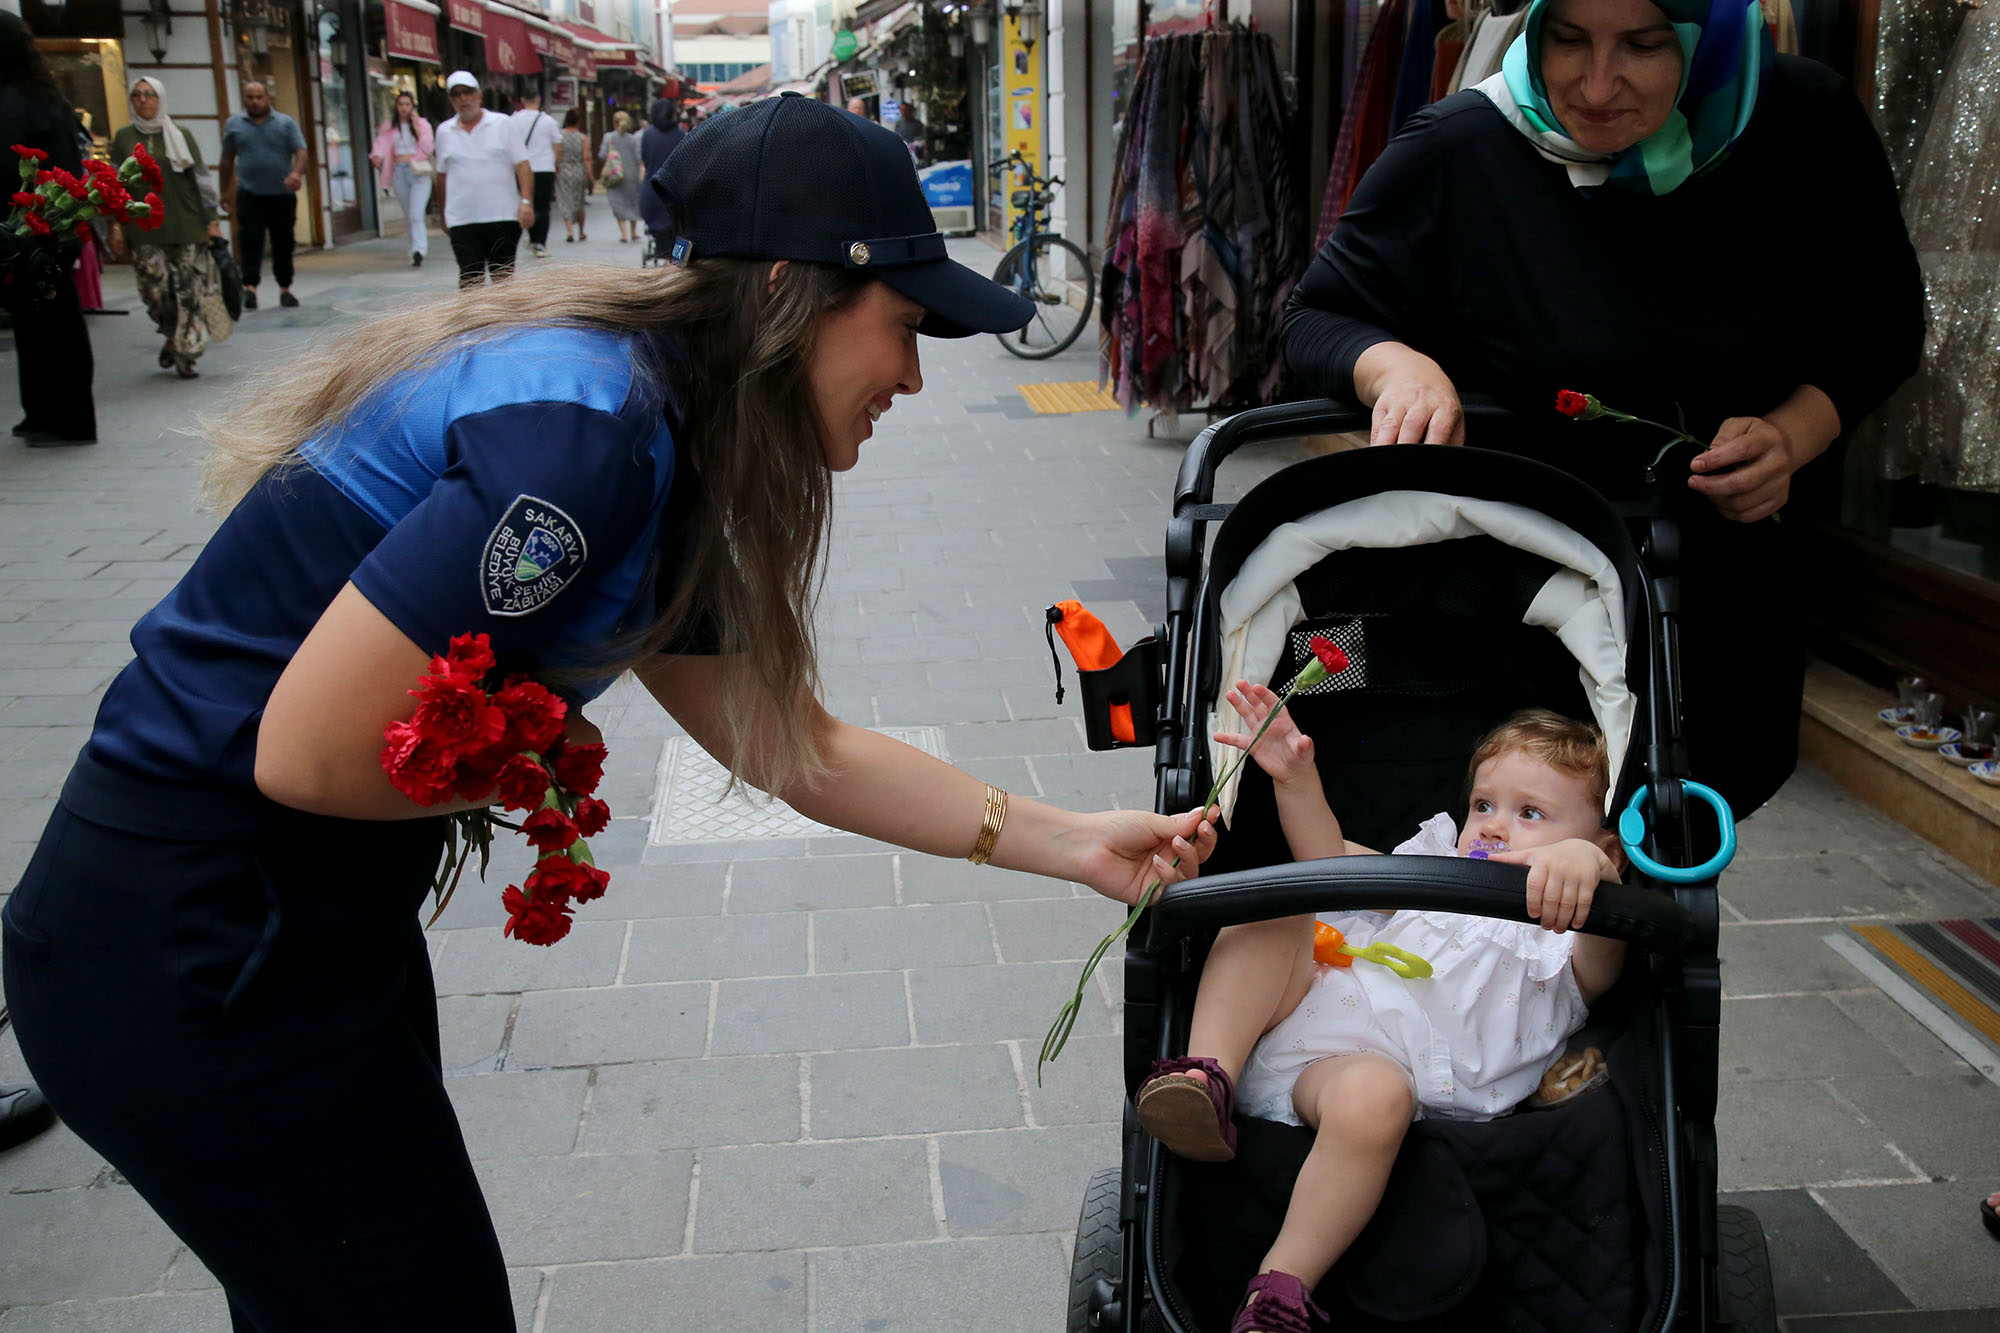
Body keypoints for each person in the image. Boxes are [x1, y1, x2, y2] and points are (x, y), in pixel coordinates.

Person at [0, 91, 1220, 1329]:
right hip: (189, 942)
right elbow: (310, 757)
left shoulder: (665, 438)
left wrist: (1073, 843)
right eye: (902, 325)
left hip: (284, 928)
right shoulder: (585, 449)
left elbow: (792, 745)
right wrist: (531, 755)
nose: (910, 373)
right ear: (787, 296)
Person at [1281, 0, 1924, 821]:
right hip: (1515, 608)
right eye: (1569, 41)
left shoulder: (1804, 124)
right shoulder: (1465, 146)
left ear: (1705, 36)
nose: (1594, 83)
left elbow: (1884, 322)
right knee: (1516, 844)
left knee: (1673, 847)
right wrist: (1397, 367)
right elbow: (1318, 315)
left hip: (1715, 598)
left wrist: (1796, 432)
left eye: (1643, 46)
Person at [1135, 701, 1626, 1331]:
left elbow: (1608, 948)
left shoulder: (1569, 941)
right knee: (1277, 899)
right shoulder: (1439, 870)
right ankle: (1205, 1079)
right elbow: (1329, 863)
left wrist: (1591, 871)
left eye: (1530, 813)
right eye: (1484, 806)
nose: (1495, 827)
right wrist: (1295, 780)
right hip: (1304, 1020)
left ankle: (1279, 1290)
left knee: (1375, 1096)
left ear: (1602, 842)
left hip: (1371, 1077)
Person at [0, 11, 96, 446]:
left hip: (40, 224)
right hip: (40, 224)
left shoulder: (24, 100)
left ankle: (68, 419)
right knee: (34, 324)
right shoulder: (39, 95)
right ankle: (40, 412)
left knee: (52, 325)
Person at [110, 75, 223, 379]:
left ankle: (187, 353)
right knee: (154, 291)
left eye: (149, 94)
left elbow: (201, 179)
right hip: (144, 227)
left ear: (160, 98)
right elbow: (113, 186)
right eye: (137, 95)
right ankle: (173, 336)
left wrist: (212, 221)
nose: (143, 100)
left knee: (189, 292)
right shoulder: (122, 138)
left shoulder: (180, 134)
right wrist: (117, 225)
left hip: (186, 224)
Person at [434, 71, 533, 289]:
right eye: (456, 95)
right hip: (462, 218)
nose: (463, 99)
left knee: (503, 278)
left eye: (467, 93)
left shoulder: (502, 124)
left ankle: (505, 322)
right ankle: (476, 323)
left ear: (479, 96)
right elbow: (441, 175)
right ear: (451, 100)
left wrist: (526, 202)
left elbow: (523, 165)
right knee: (470, 278)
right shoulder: (444, 132)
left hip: (503, 215)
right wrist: (443, 214)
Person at [219, 80, 308, 311]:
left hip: (282, 194)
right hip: (249, 193)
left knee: (283, 242)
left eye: (259, 96)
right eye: (250, 97)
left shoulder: (285, 123)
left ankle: (285, 288)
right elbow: (227, 159)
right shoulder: (235, 124)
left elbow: (301, 151)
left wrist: (296, 173)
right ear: (244, 98)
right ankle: (250, 288)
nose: (255, 101)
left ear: (267, 97)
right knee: (250, 240)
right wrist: (225, 191)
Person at [369, 89, 436, 268]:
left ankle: (419, 250)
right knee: (409, 214)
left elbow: (429, 147)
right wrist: (376, 156)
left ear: (412, 106)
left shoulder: (422, 124)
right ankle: (414, 248)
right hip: (399, 171)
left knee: (416, 213)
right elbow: (380, 145)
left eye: (407, 104)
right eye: (401, 104)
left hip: (418, 171)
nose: (404, 108)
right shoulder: (389, 127)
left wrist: (417, 128)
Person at [508, 88, 557, 258]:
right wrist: (554, 163)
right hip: (545, 168)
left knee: (527, 202)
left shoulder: (513, 120)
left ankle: (531, 237)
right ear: (538, 99)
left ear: (522, 99)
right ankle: (540, 242)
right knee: (543, 207)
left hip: (522, 169)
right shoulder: (549, 121)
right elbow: (557, 146)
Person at [636, 96, 683, 255]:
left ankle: (661, 250)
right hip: (675, 193)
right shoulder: (680, 133)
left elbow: (644, 159)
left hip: (652, 193)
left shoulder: (648, 134)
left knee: (659, 231)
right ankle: (677, 260)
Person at [597, 108, 643, 244]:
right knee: (632, 202)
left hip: (614, 175)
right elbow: (638, 158)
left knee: (618, 203)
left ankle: (624, 234)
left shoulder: (608, 137)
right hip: (632, 174)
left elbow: (602, 155)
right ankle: (633, 232)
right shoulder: (634, 139)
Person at [551, 106, 591, 243]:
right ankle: (581, 231)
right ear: (578, 122)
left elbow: (557, 153)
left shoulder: (559, 136)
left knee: (565, 199)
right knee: (579, 201)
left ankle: (569, 231)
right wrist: (590, 175)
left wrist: (556, 166)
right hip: (579, 170)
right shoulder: (583, 138)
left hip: (563, 171)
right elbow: (586, 157)